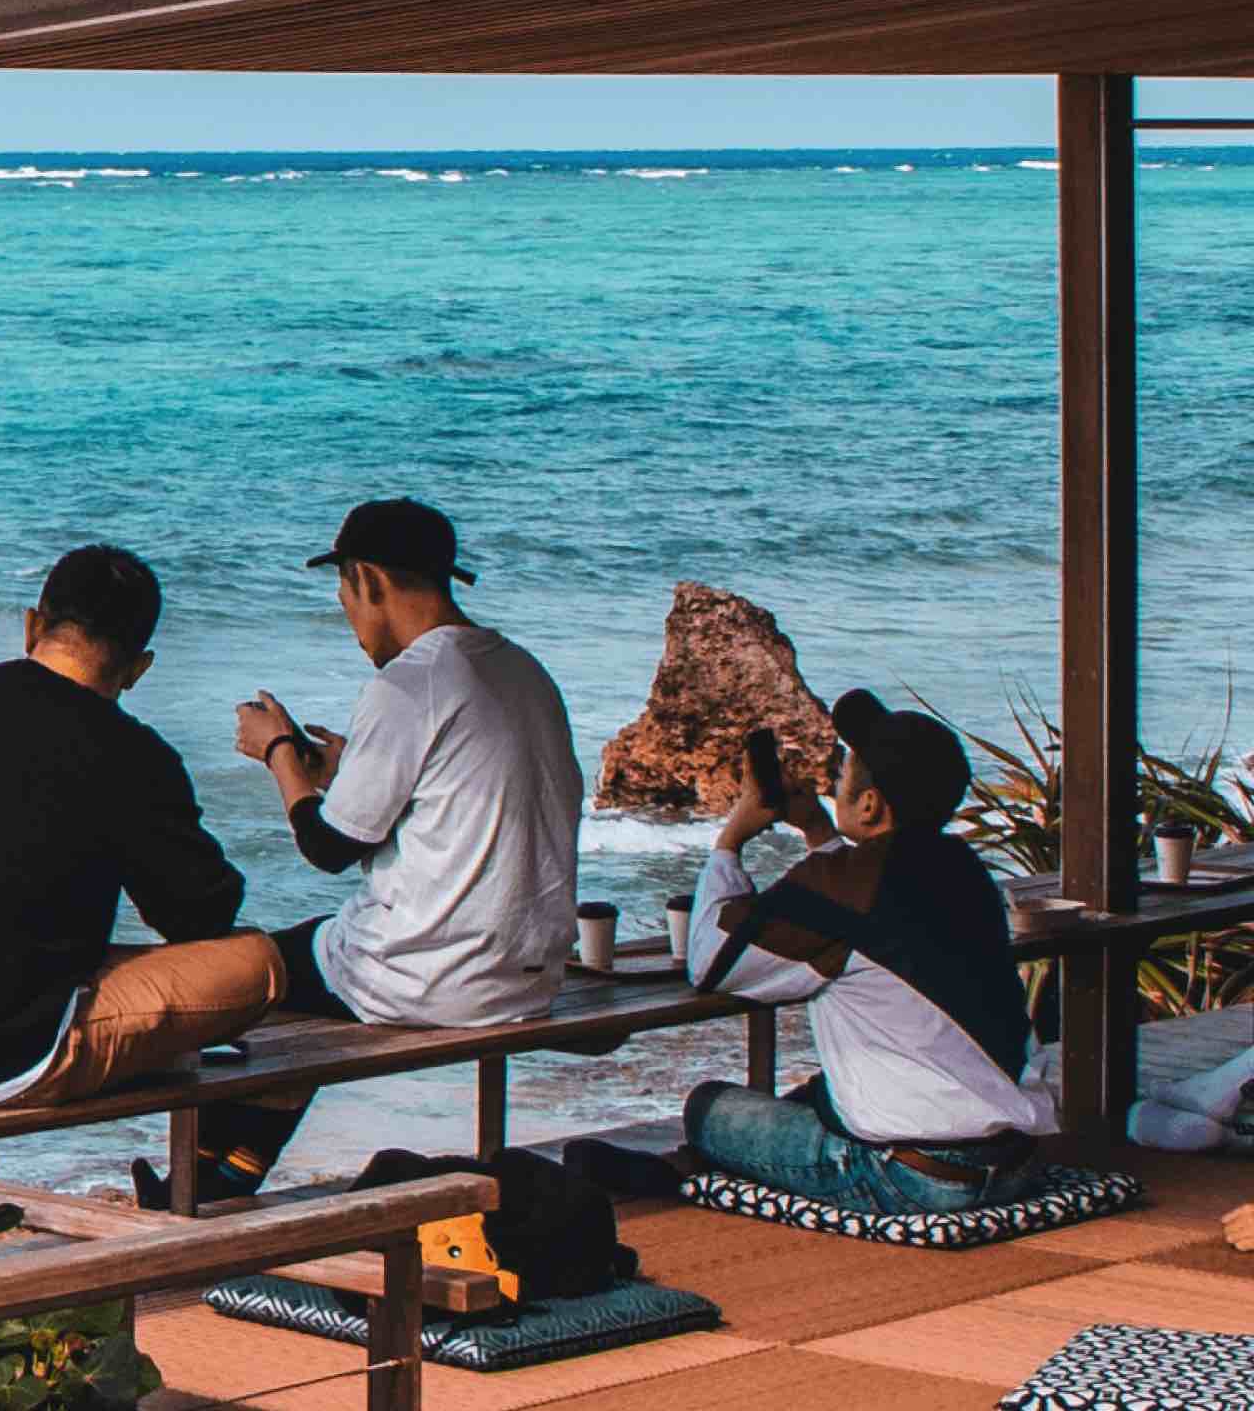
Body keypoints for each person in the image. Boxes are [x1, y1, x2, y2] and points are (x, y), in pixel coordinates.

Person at [142, 499, 584, 1207]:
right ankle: (225, 1174)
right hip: (527, 976)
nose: (349, 616)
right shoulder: (522, 672)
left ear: (368, 580)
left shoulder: (412, 681)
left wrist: (277, 752)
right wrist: (343, 771)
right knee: (309, 973)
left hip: (433, 974)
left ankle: (192, 1184)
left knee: (245, 974)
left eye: (345, 593)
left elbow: (327, 848)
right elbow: (452, 802)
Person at [569, 691, 1055, 1214]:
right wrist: (818, 831)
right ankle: (682, 1169)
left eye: (843, 774)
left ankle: (685, 1172)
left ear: (870, 805)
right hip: (1013, 1165)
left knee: (709, 1108)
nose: (833, 782)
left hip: (913, 1180)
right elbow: (866, 918)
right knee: (818, 1092)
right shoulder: (964, 870)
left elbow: (711, 962)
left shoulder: (845, 884)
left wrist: (731, 839)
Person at [0, 545, 284, 1108]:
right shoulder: (133, 753)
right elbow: (200, 915)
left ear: (32, 626)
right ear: (139, 668)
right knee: (259, 963)